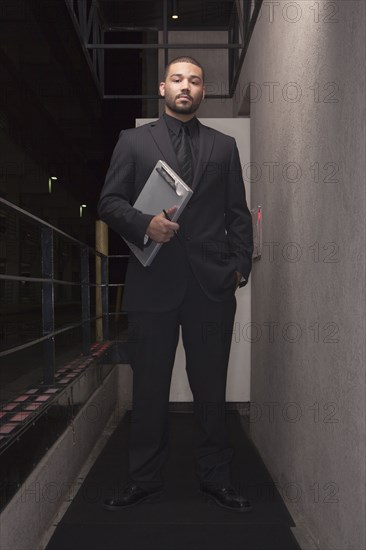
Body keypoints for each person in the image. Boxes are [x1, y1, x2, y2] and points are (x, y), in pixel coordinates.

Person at [98, 56, 253, 512]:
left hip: (211, 289)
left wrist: (239, 266)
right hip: (152, 284)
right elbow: (109, 201)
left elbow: (237, 215)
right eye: (178, 79)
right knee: (148, 388)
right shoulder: (133, 141)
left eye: (196, 81)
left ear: (203, 92)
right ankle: (144, 478)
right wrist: (145, 223)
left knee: (210, 389)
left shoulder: (224, 147)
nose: (187, 87)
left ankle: (216, 477)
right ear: (163, 88)